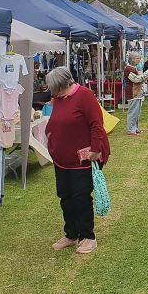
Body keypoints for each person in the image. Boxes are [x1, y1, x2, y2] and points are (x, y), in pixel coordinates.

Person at [45, 67, 110, 254]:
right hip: (61, 158)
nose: (53, 93)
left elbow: (97, 124)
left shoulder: (84, 96)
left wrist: (96, 149)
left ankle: (88, 236)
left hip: (82, 159)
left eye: (55, 88)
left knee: (80, 197)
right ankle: (71, 234)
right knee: (65, 196)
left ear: (63, 84)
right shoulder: (59, 98)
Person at [123, 54, 146, 136]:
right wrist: (145, 75)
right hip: (132, 93)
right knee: (133, 112)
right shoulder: (128, 69)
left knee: (137, 112)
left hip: (137, 92)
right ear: (132, 59)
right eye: (137, 58)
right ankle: (131, 130)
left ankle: (135, 128)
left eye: (139, 58)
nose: (139, 60)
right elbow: (136, 79)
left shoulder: (133, 68)